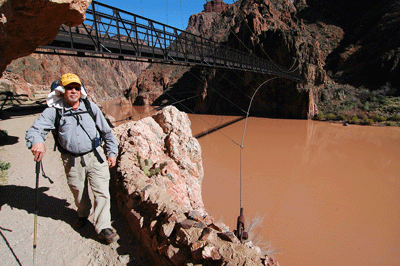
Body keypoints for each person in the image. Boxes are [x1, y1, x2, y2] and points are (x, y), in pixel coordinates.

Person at [26, 73, 119, 244]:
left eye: (77, 88)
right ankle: (83, 214)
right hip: (72, 160)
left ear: (81, 90)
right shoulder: (54, 111)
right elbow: (35, 130)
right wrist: (37, 142)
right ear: (62, 91)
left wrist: (112, 152)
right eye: (69, 88)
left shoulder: (90, 107)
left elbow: (106, 132)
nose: (74, 91)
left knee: (102, 192)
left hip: (96, 156)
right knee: (78, 193)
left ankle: (103, 226)